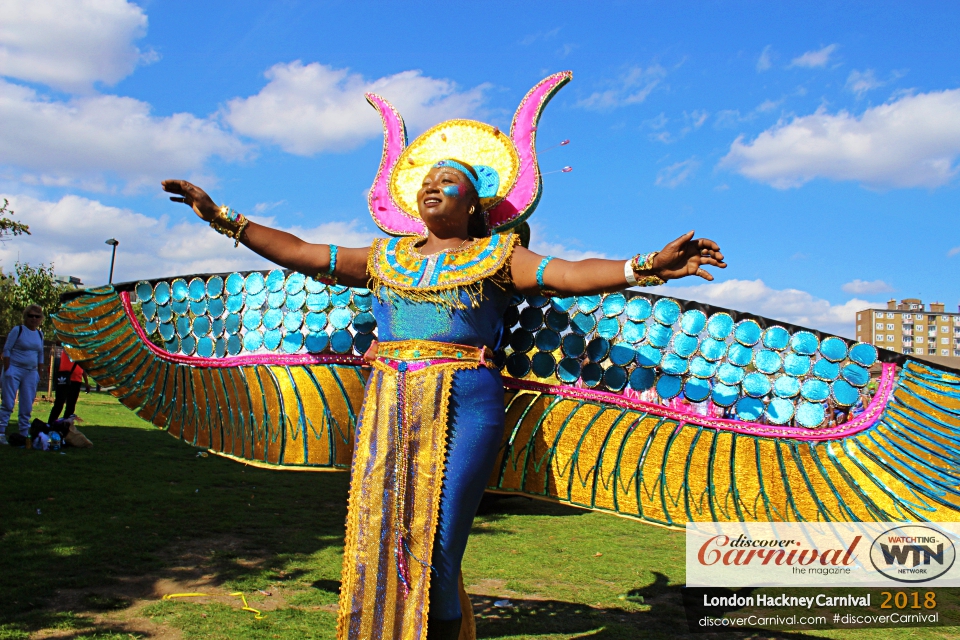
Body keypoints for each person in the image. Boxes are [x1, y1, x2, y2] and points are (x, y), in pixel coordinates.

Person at [162, 155, 725, 638]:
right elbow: (301, 251)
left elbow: (573, 274)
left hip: (466, 403)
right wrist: (221, 217)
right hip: (387, 401)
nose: (433, 185)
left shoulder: (500, 257)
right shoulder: (385, 258)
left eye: (448, 179)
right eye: (427, 178)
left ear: (474, 203)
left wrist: (648, 266)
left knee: (435, 549)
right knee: (381, 538)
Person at [1, 305, 46, 441]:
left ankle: (24, 433)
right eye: (30, 316)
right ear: (25, 317)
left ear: (40, 319)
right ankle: (1, 432)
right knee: (8, 403)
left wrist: (39, 371)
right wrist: (8, 369)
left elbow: (40, 353)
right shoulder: (18, 330)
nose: (33, 319)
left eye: (37, 316)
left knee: (27, 404)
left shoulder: (39, 334)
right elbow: (7, 349)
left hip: (31, 372)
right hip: (14, 369)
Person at [48, 348, 91, 423]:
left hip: (76, 380)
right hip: (65, 378)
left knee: (71, 406)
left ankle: (65, 425)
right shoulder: (68, 347)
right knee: (59, 403)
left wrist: (86, 382)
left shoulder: (82, 351)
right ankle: (50, 424)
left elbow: (82, 368)